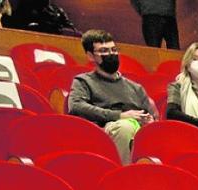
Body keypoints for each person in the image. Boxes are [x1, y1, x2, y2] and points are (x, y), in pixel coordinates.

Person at [68, 29, 158, 165]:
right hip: (105, 130)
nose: (111, 54)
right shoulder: (83, 81)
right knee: (124, 128)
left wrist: (149, 121)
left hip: (138, 128)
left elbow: (151, 115)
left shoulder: (135, 87)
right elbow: (76, 107)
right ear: (91, 56)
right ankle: (122, 178)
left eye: (114, 49)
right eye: (104, 51)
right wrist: (119, 116)